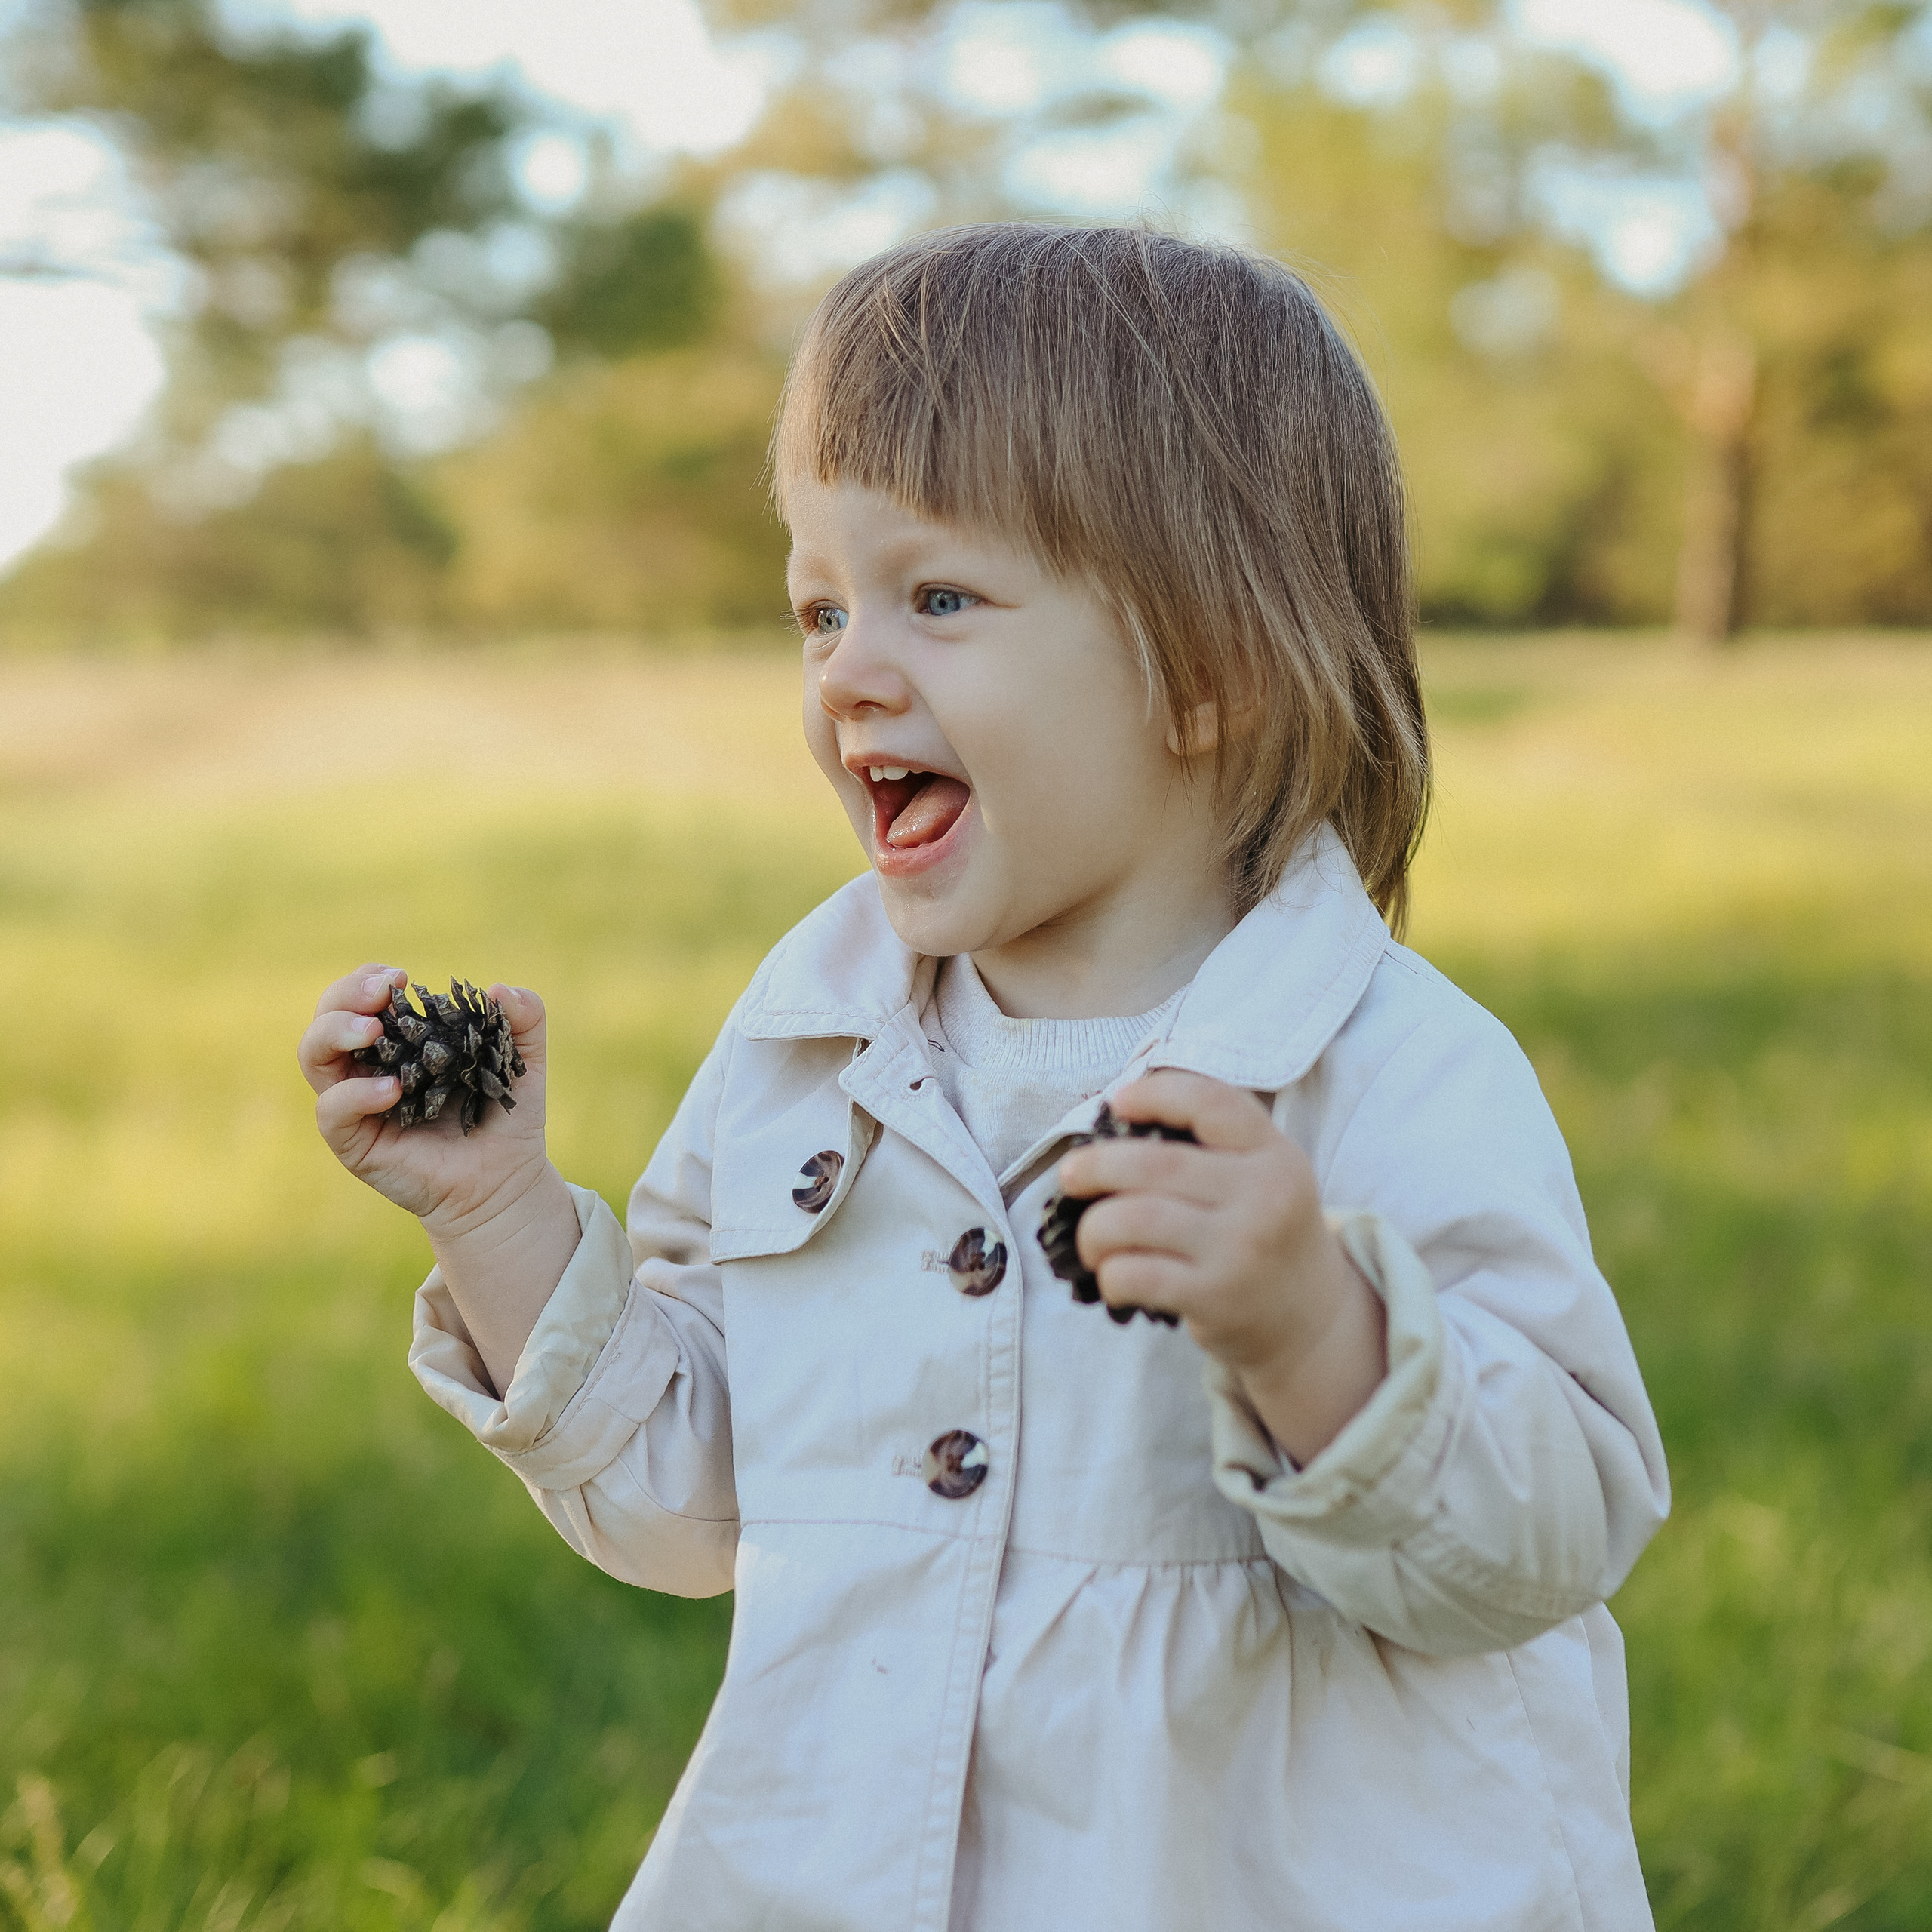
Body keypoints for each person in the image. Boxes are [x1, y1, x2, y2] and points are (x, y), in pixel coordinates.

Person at [299, 224, 1669, 1932]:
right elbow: (689, 1496)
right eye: (817, 603)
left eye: (937, 597)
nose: (846, 668)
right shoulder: (813, 1038)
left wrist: (1314, 1329)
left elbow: (1538, 1548)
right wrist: (500, 1217)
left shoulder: (1387, 1067)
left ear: (1204, 669)